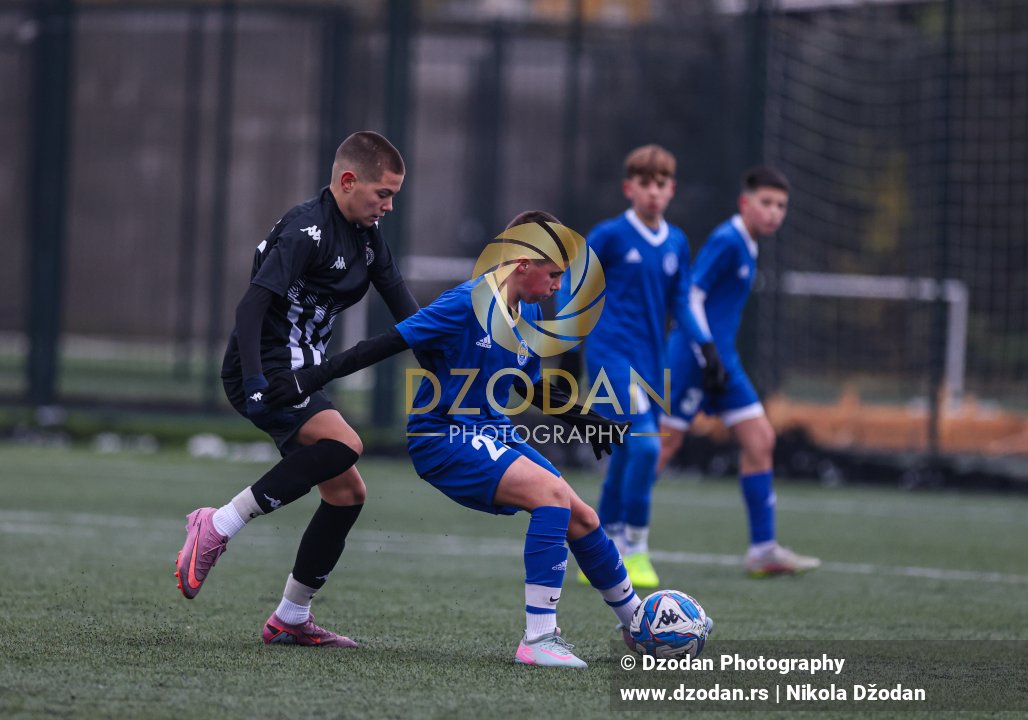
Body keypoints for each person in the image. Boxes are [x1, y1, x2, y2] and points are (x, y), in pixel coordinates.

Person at [262, 212, 706, 668]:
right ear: (521, 263)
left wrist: (583, 416)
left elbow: (524, 384)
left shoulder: (528, 309)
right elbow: (384, 344)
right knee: (552, 497)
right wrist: (309, 379)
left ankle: (636, 623)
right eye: (553, 274)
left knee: (582, 517)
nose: (557, 285)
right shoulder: (465, 303)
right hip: (443, 436)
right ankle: (538, 639)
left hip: (492, 431)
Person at [175, 131, 419, 647]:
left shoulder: (366, 236)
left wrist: (451, 358)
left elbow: (405, 310)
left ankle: (290, 616)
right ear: (348, 181)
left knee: (348, 492)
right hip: (267, 368)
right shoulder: (306, 230)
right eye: (383, 193)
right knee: (346, 445)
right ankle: (217, 524)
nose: (389, 205)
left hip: (302, 369)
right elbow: (250, 307)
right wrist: (259, 383)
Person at [563, 144, 725, 589]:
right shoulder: (611, 235)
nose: (652, 192)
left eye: (661, 184)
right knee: (649, 449)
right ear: (628, 188)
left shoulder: (676, 243)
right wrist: (562, 338)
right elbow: (573, 283)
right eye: (644, 183)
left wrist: (706, 348)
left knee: (625, 455)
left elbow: (681, 302)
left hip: (651, 365)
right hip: (610, 359)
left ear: (671, 190)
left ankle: (598, 548)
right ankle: (634, 547)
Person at [657, 166, 820, 577]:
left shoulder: (749, 243)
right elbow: (691, 297)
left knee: (761, 439)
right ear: (745, 203)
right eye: (766, 203)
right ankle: (610, 536)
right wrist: (706, 351)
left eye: (781, 206)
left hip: (722, 359)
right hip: (693, 357)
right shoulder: (728, 240)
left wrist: (718, 356)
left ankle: (763, 550)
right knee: (662, 448)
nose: (774, 213)